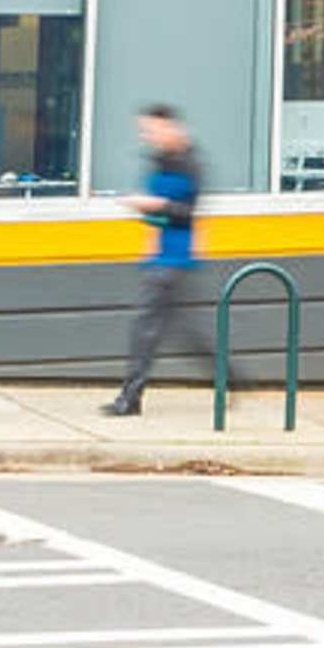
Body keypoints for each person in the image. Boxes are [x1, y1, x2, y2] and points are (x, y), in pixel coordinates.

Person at [101, 103, 203, 417]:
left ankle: (130, 398)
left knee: (145, 327)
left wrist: (155, 204)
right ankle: (232, 379)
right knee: (176, 332)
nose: (146, 136)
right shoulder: (159, 160)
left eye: (150, 129)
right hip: (160, 256)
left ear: (168, 127)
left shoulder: (190, 162)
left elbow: (186, 212)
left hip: (175, 258)